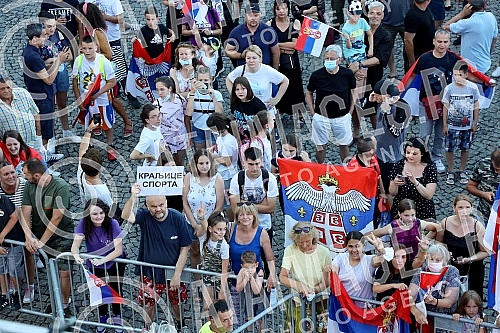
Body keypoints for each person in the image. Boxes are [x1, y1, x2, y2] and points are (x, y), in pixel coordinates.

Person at [121, 184, 193, 332]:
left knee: (177, 302)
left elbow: (185, 248)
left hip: (173, 272)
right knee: (148, 303)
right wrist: (133, 196)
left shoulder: (177, 218)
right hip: (149, 273)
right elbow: (126, 216)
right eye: (153, 206)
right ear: (147, 205)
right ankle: (147, 327)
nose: (158, 209)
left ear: (166, 202)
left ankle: (180, 324)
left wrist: (176, 275)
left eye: (161, 205)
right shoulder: (145, 216)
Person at [21, 158, 73, 313]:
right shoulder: (29, 186)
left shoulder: (60, 186)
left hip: (62, 235)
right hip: (39, 233)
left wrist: (41, 243)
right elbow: (25, 212)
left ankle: (65, 304)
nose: (25, 177)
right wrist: (29, 237)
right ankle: (57, 299)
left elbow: (57, 218)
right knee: (52, 270)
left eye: (26, 174)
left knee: (65, 272)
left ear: (36, 175)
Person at [405, 30, 459, 172]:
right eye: (439, 41)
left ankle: (436, 157)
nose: (442, 45)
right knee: (425, 133)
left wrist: (486, 81)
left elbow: (466, 73)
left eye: (445, 42)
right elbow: (413, 75)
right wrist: (401, 89)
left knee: (441, 132)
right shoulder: (425, 59)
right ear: (434, 41)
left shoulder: (453, 58)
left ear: (449, 42)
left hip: (445, 104)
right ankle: (424, 157)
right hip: (425, 103)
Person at [78, 2, 134, 137]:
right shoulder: (88, 29)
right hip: (94, 72)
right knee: (94, 99)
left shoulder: (97, 32)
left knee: (112, 99)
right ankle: (98, 122)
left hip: (104, 72)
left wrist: (89, 55)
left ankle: (127, 121)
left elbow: (109, 54)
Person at [71, 199, 126, 333]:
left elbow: (118, 250)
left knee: (115, 288)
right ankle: (103, 317)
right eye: (95, 214)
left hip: (115, 261)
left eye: (101, 213)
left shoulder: (112, 223)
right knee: (99, 291)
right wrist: (76, 256)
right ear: (88, 215)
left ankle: (117, 317)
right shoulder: (84, 224)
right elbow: (75, 246)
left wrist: (102, 261)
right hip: (95, 263)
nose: (99, 217)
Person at [227, 203, 276, 328]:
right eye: (241, 214)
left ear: (254, 216)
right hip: (236, 279)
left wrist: (272, 275)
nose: (245, 217)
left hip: (256, 278)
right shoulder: (231, 229)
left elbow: (269, 258)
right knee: (239, 316)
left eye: (248, 214)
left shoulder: (262, 233)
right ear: (237, 217)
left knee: (260, 317)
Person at [306, 44, 356, 163]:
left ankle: (345, 167)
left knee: (344, 145)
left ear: (339, 60)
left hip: (342, 117)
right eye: (327, 58)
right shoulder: (317, 75)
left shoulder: (347, 74)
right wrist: (313, 112)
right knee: (320, 146)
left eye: (332, 59)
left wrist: (350, 111)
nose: (329, 61)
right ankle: (320, 166)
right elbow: (309, 92)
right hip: (321, 117)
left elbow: (353, 92)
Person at [348, 1, 393, 134]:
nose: (375, 16)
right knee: (354, 103)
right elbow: (348, 49)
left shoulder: (385, 35)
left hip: (373, 76)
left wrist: (360, 64)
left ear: (382, 16)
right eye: (372, 13)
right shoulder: (358, 29)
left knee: (372, 107)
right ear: (367, 14)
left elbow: (380, 58)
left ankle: (376, 134)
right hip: (356, 74)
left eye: (378, 14)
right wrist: (354, 68)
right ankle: (356, 131)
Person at [72, 35, 118, 161]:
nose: (87, 51)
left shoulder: (104, 62)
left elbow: (112, 82)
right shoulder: (79, 61)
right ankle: (90, 146)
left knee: (106, 123)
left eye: (90, 48)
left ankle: (110, 145)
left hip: (101, 99)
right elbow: (75, 81)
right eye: (84, 48)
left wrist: (97, 94)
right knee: (88, 124)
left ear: (96, 48)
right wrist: (78, 99)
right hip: (85, 99)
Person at [279, 222, 331, 332]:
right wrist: (298, 286)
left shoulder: (324, 252)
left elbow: (327, 281)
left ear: (313, 237)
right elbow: (282, 277)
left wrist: (315, 290)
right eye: (300, 242)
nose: (304, 245)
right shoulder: (290, 250)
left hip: (320, 301)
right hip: (298, 300)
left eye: (307, 241)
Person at [435, 194, 488, 299]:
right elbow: (438, 242)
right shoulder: (445, 223)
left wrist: (470, 259)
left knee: (472, 299)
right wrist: (445, 253)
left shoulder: (477, 227)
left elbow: (485, 251)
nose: (464, 211)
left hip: (472, 268)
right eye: (460, 207)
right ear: (454, 208)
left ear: (472, 208)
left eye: (467, 207)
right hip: (450, 265)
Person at [0, 161, 36, 305]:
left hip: (26, 225)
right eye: (6, 174)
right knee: (7, 260)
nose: (10, 176)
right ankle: (12, 286)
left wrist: (29, 235)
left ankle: (30, 285)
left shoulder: (24, 185)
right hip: (7, 229)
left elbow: (27, 211)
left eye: (12, 172)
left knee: (28, 255)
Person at [182, 149, 224, 270]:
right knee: (194, 252)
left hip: (211, 223)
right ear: (195, 164)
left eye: (207, 163)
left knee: (210, 253)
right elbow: (185, 203)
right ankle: (197, 280)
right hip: (191, 222)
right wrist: (196, 225)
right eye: (201, 163)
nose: (204, 166)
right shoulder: (188, 177)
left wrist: (205, 226)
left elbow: (219, 206)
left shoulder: (217, 178)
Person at [22, 23, 62, 148]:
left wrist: (51, 61)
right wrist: (58, 61)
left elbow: (42, 66)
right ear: (34, 38)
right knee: (44, 130)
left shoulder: (31, 50)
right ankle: (43, 159)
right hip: (42, 97)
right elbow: (49, 80)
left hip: (39, 94)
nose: (46, 38)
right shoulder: (33, 56)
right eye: (43, 36)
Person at [226, 45, 289, 123]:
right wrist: (235, 95)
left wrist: (276, 99)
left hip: (265, 112)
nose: (251, 61)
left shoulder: (268, 70)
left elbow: (285, 81)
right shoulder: (240, 70)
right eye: (248, 58)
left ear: (260, 59)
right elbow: (228, 79)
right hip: (247, 113)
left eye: (254, 58)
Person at [38, 10, 75, 139]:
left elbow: (69, 55)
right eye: (49, 26)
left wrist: (53, 60)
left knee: (62, 103)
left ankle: (66, 131)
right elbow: (41, 64)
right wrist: (58, 59)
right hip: (49, 75)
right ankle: (51, 135)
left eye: (53, 25)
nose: (52, 29)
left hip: (61, 72)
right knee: (50, 106)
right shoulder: (38, 40)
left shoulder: (58, 34)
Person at [229, 147, 278, 245]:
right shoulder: (237, 179)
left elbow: (270, 208)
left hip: (264, 225)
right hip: (244, 226)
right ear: (245, 162)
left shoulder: (270, 179)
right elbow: (235, 209)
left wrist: (244, 203)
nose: (254, 168)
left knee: (266, 255)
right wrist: (262, 204)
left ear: (262, 161)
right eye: (251, 164)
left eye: (257, 164)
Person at [370, 79, 410, 195]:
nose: (374, 96)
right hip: (378, 153)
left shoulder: (403, 108)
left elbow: (396, 132)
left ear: (386, 95)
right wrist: (371, 101)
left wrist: (388, 113)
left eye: (377, 94)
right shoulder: (382, 102)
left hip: (392, 156)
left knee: (389, 190)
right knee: (378, 185)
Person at [442, 61, 480, 185]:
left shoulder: (473, 88)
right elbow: (445, 107)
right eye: (454, 75)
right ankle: (451, 170)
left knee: (465, 148)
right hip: (452, 125)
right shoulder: (449, 88)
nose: (456, 78)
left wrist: (475, 123)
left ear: (466, 75)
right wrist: (444, 124)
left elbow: (476, 106)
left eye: (459, 75)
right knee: (449, 148)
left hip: (467, 126)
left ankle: (462, 170)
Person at [266, 0, 304, 117]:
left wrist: (277, 46)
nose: (281, 11)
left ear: (288, 9)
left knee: (295, 87)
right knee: (277, 86)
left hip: (292, 63)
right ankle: (278, 112)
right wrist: (284, 47)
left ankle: (298, 114)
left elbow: (296, 45)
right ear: (274, 10)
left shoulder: (295, 23)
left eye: (284, 8)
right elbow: (268, 45)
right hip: (276, 63)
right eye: (278, 8)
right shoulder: (269, 24)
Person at [409, 244, 460, 327]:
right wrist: (415, 311)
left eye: (438, 260)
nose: (433, 262)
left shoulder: (452, 271)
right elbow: (409, 296)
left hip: (445, 320)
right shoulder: (421, 271)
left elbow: (450, 301)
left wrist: (434, 301)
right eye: (431, 259)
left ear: (444, 261)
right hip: (424, 317)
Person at [331, 231, 386, 307]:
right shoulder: (340, 258)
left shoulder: (369, 260)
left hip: (362, 309)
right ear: (346, 246)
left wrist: (381, 250)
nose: (354, 250)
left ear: (363, 246)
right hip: (341, 306)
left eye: (357, 246)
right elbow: (333, 277)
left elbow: (385, 259)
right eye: (350, 246)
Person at [370, 199, 437, 260]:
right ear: (399, 213)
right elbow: (370, 235)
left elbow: (437, 228)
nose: (410, 219)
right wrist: (385, 247)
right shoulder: (392, 227)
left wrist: (426, 239)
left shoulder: (418, 223)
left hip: (415, 260)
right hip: (398, 262)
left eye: (413, 215)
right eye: (406, 215)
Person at [443, 0, 498, 74]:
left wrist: (461, 14)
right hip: (485, 64)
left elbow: (445, 27)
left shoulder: (467, 23)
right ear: (484, 6)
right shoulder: (491, 17)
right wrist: (488, 53)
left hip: (469, 67)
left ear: (468, 8)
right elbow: (494, 39)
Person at [389, 137, 438, 220]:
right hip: (403, 210)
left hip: (423, 210)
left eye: (414, 154)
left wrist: (415, 182)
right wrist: (395, 183)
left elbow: (429, 195)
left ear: (422, 154)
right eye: (408, 152)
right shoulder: (399, 165)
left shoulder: (430, 168)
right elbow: (392, 193)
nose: (410, 156)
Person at [225, 3, 280, 69]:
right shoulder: (236, 32)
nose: (253, 18)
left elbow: (276, 53)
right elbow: (228, 51)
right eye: (250, 15)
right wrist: (241, 55)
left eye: (256, 15)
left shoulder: (269, 31)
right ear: (245, 16)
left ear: (260, 15)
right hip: (244, 72)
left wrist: (275, 72)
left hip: (264, 71)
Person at [206, 113, 239, 214]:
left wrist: (212, 155)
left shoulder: (227, 142)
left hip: (227, 176)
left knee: (228, 203)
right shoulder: (222, 136)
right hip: (222, 175)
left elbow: (227, 162)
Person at [186, 66, 224, 149]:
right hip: (198, 127)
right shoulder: (193, 94)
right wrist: (192, 93)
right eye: (200, 80)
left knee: (212, 155)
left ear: (210, 79)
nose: (203, 83)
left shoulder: (217, 94)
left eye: (206, 80)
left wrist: (213, 98)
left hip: (212, 128)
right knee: (201, 154)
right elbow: (189, 113)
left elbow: (220, 113)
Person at [0, 76, 42, 151]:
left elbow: (35, 113)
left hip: (32, 141)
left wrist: (39, 135)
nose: (6, 91)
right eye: (2, 89)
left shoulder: (23, 94)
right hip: (12, 148)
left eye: (8, 87)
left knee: (39, 161)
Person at [78, 121, 113, 206]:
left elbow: (82, 149)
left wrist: (89, 129)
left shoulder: (81, 171)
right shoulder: (102, 192)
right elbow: (110, 209)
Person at [155, 76, 188, 166]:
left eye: (162, 89)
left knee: (180, 162)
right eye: (157, 90)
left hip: (180, 136)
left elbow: (186, 117)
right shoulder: (157, 104)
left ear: (170, 88)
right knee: (168, 164)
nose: (159, 93)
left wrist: (189, 134)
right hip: (166, 139)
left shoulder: (180, 100)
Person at [198, 212, 229, 307]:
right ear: (210, 229)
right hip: (207, 275)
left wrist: (222, 289)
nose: (222, 232)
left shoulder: (224, 246)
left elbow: (224, 270)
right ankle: (209, 322)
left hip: (219, 277)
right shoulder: (203, 238)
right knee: (207, 305)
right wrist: (202, 218)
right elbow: (203, 227)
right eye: (219, 229)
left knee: (221, 305)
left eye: (224, 229)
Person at [0, 192, 24, 310]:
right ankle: (4, 295)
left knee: (14, 269)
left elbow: (14, 217)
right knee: (1, 269)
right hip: (1, 245)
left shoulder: (4, 200)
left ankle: (16, 293)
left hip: (14, 241)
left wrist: (2, 235)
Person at [229, 76, 267, 141]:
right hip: (240, 137)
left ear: (248, 89)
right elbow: (233, 117)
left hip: (255, 138)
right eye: (237, 89)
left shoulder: (258, 105)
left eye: (243, 89)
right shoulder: (234, 102)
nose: (240, 92)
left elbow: (265, 124)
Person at [466, 149, 500, 220]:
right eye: (496, 169)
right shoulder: (483, 165)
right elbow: (470, 186)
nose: (499, 172)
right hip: (484, 215)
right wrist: (483, 194)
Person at [235, 250, 264, 331]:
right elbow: (238, 288)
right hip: (248, 300)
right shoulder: (242, 272)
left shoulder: (259, 272)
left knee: (261, 319)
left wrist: (251, 278)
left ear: (256, 265)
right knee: (249, 319)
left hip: (260, 299)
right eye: (246, 268)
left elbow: (257, 291)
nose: (250, 270)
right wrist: (245, 280)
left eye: (252, 267)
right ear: (242, 266)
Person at [382, 0, 410, 78]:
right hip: (387, 21)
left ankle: (408, 71)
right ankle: (392, 70)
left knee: (409, 46)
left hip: (406, 19)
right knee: (388, 47)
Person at [403, 0, 435, 70]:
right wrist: (412, 61)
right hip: (418, 56)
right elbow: (407, 40)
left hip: (427, 54)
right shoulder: (412, 15)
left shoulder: (426, 9)